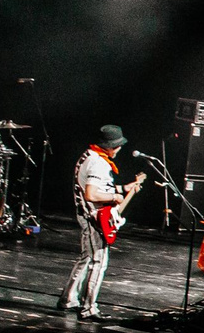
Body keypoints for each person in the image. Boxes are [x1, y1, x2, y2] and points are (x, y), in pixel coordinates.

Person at [59, 124, 144, 319]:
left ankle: (68, 299)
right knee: (98, 261)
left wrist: (123, 189)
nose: (120, 149)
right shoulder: (99, 163)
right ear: (110, 146)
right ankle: (89, 308)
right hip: (93, 218)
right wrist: (115, 196)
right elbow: (91, 193)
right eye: (118, 145)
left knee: (87, 257)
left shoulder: (90, 156)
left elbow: (98, 186)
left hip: (90, 215)